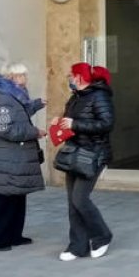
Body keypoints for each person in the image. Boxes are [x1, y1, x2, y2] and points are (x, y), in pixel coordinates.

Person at [0, 62, 45, 251]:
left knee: (17, 197)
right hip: (6, 159)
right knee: (6, 199)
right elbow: (5, 129)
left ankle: (14, 235)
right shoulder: (2, 99)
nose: (25, 79)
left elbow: (19, 115)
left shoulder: (13, 97)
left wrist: (36, 105)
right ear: (11, 77)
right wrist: (34, 132)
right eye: (21, 76)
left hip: (13, 158)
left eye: (25, 75)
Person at [55, 62, 114, 261]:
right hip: (74, 152)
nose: (69, 78)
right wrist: (60, 123)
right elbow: (69, 122)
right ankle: (77, 246)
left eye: (72, 75)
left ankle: (102, 236)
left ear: (80, 77)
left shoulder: (100, 96)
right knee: (72, 202)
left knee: (80, 198)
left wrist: (76, 124)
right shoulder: (75, 98)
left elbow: (106, 124)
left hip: (93, 154)